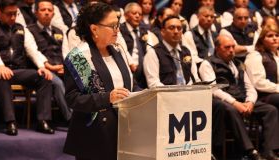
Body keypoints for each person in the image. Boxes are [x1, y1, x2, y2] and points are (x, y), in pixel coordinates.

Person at [63, 2, 139, 160]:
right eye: (112, 25)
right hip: (93, 138)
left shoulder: (118, 50)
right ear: (94, 29)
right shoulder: (79, 58)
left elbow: (131, 85)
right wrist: (107, 98)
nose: (117, 29)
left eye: (118, 24)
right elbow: (72, 99)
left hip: (123, 131)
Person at [143, 16, 224, 159]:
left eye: (179, 28)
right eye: (171, 28)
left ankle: (208, 148)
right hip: (167, 101)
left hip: (188, 99)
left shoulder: (186, 52)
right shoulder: (153, 53)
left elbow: (195, 78)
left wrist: (198, 90)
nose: (176, 31)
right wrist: (178, 95)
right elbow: (153, 84)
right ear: (162, 32)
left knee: (217, 105)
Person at [199, 34, 279, 160]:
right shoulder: (208, 64)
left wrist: (250, 102)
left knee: (270, 110)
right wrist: (235, 103)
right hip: (225, 102)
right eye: (227, 47)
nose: (231, 50)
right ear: (217, 48)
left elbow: (249, 86)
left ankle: (269, 151)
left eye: (233, 47)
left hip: (242, 99)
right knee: (231, 110)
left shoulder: (238, 63)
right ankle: (250, 151)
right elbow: (213, 90)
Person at [0, 0, 54, 136]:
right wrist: (0, 66)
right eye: (9, 14)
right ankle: (11, 122)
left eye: (15, 14)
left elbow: (33, 50)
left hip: (19, 69)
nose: (13, 17)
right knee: (3, 77)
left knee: (44, 77)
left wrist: (41, 66)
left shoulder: (21, 28)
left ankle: (43, 121)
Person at [28, 0, 72, 123]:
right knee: (57, 83)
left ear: (53, 14)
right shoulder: (29, 30)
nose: (47, 13)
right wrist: (50, 67)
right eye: (43, 10)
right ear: (36, 13)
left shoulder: (59, 31)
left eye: (49, 10)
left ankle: (87, 117)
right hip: (42, 69)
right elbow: (33, 52)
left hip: (61, 68)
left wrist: (66, 67)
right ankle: (71, 119)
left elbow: (66, 52)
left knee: (82, 80)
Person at [119, 2, 158, 88]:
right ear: (125, 15)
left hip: (144, 72)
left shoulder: (145, 31)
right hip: (127, 69)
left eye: (140, 14)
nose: (137, 16)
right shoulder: (119, 31)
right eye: (134, 13)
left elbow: (151, 49)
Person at [245, 24, 279, 110]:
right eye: (270, 36)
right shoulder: (255, 55)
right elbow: (258, 82)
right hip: (264, 96)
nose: (274, 38)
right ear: (262, 40)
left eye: (277, 35)